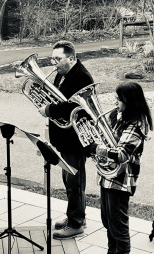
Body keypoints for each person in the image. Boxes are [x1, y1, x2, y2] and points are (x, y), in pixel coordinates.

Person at [87, 82, 152, 254]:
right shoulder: (120, 117)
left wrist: (97, 148)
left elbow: (122, 153)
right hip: (108, 176)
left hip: (122, 179)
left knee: (118, 225)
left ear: (129, 101)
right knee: (107, 221)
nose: (115, 102)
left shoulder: (137, 124)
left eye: (119, 99)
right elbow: (108, 139)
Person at [38, 40, 94, 239]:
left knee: (74, 181)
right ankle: (75, 216)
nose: (54, 62)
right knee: (69, 179)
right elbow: (58, 97)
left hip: (75, 138)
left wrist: (49, 110)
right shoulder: (63, 74)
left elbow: (72, 107)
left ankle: (76, 223)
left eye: (58, 58)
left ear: (71, 58)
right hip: (64, 137)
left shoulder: (81, 76)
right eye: (53, 58)